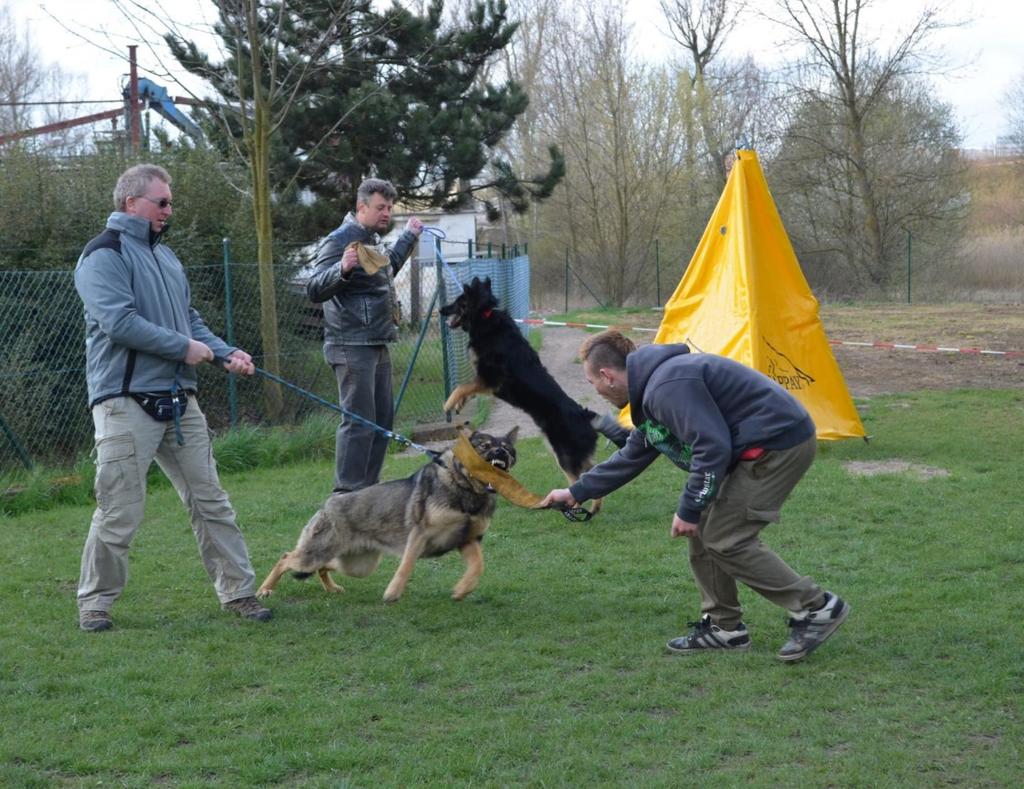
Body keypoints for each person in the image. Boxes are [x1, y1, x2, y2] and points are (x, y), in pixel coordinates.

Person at [540, 330, 849, 662]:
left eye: (592, 383)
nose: (597, 391)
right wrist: (576, 491)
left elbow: (711, 446)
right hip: (757, 447)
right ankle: (724, 628)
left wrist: (688, 508)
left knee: (726, 538)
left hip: (777, 446)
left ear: (607, 375)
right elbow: (634, 454)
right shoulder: (654, 390)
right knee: (704, 530)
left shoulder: (665, 388)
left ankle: (816, 608)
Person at [74, 163, 271, 632]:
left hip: (180, 400)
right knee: (119, 509)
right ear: (131, 203)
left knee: (212, 502)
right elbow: (119, 323)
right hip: (124, 402)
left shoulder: (167, 258)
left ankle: (239, 593)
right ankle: (95, 603)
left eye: (170, 202)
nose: (169, 210)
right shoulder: (103, 254)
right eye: (162, 202)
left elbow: (189, 321)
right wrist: (187, 348)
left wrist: (225, 353)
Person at [306, 178, 423, 494]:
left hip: (377, 340)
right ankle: (346, 494)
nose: (387, 213)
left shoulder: (372, 239)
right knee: (359, 422)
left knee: (381, 421)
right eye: (380, 207)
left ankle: (368, 491)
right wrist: (341, 269)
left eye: (389, 207)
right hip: (349, 344)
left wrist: (409, 237)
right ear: (361, 207)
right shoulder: (338, 241)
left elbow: (387, 271)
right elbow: (315, 288)